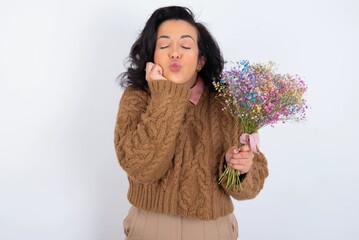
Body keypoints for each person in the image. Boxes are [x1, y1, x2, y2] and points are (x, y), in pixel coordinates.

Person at [114, 6, 268, 240]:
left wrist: (240, 168)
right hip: (152, 228)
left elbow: (250, 188)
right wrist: (166, 96)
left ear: (200, 60)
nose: (174, 53)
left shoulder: (229, 103)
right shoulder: (137, 98)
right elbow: (141, 168)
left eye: (185, 46)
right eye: (164, 46)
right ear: (152, 58)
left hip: (214, 229)